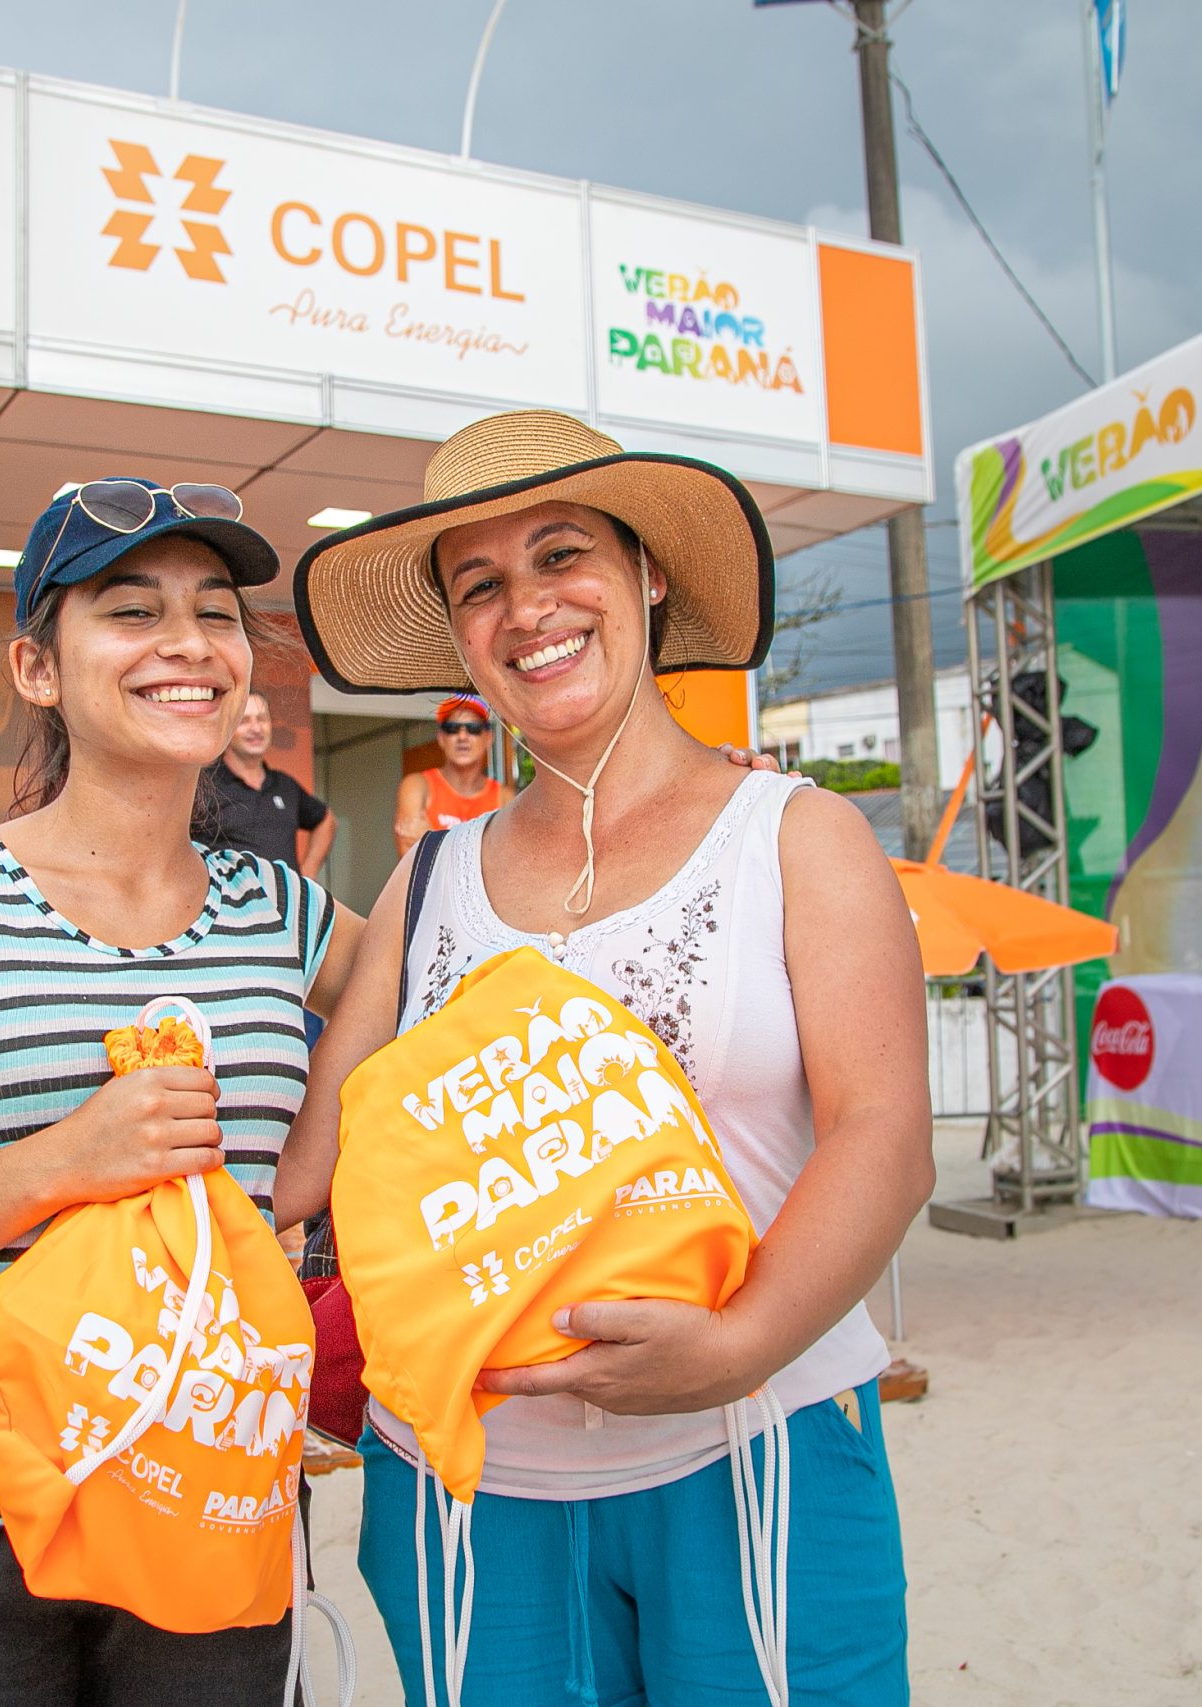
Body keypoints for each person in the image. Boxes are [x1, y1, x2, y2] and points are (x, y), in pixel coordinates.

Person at [279, 411, 934, 1707]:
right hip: (467, 1491)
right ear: (463, 641)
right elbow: (313, 1163)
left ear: (647, 573)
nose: (528, 607)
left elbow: (886, 1136)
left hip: (763, 1442)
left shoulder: (795, 838)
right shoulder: (427, 878)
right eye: (481, 585)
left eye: (563, 554)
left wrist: (738, 1341)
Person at [0, 476, 363, 1707]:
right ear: (38, 668)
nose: (189, 644)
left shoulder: (284, 915)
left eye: (216, 613)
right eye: (131, 612)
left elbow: (426, 976)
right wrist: (60, 1163)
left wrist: (305, 1169)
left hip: (213, 1487)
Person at [192, 689, 332, 878]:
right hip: (227, 905)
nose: (256, 728)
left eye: (262, 719)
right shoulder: (202, 785)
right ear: (227, 727)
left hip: (285, 906)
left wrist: (307, 875)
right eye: (245, 720)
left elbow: (326, 820)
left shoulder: (285, 785)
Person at [393, 694, 508, 854]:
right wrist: (481, 853)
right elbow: (413, 860)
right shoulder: (417, 785)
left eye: (473, 728)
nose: (462, 736)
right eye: (452, 728)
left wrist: (432, 840)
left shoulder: (504, 797)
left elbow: (508, 862)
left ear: (488, 738)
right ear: (441, 738)